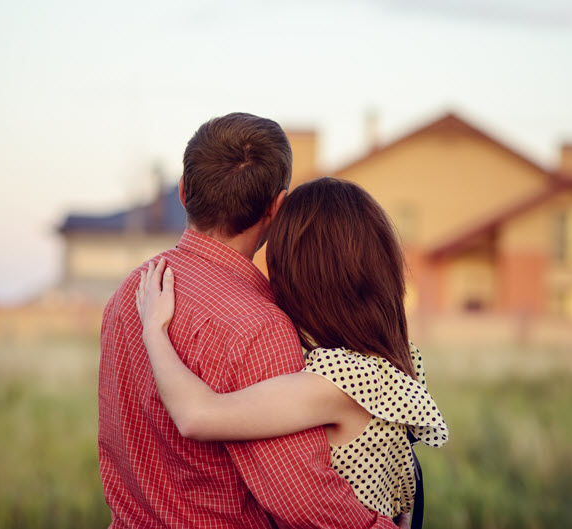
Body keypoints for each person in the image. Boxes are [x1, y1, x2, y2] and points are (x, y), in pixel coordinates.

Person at [98, 113, 399, 528]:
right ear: (277, 207)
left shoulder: (130, 293)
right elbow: (300, 498)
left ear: (184, 192)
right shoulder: (260, 326)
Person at [135, 177, 448, 525]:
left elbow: (197, 415)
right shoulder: (391, 365)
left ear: (299, 273)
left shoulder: (336, 381)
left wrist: (155, 330)